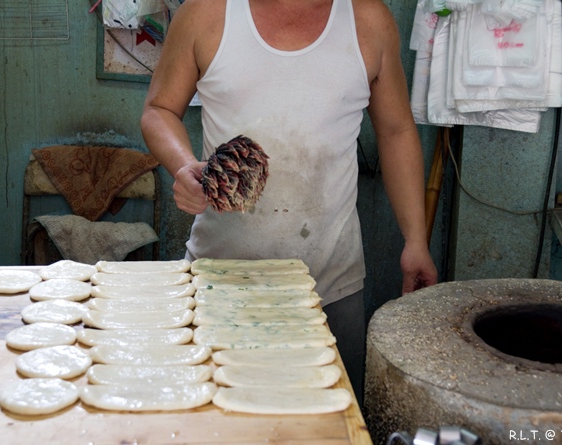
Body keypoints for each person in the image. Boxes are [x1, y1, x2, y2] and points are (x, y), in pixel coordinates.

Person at [141, 0, 438, 405]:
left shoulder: (367, 20)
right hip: (220, 282)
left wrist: (415, 240)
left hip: (329, 288)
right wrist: (183, 166)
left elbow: (397, 130)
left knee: (329, 423)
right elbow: (159, 110)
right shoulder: (207, 13)